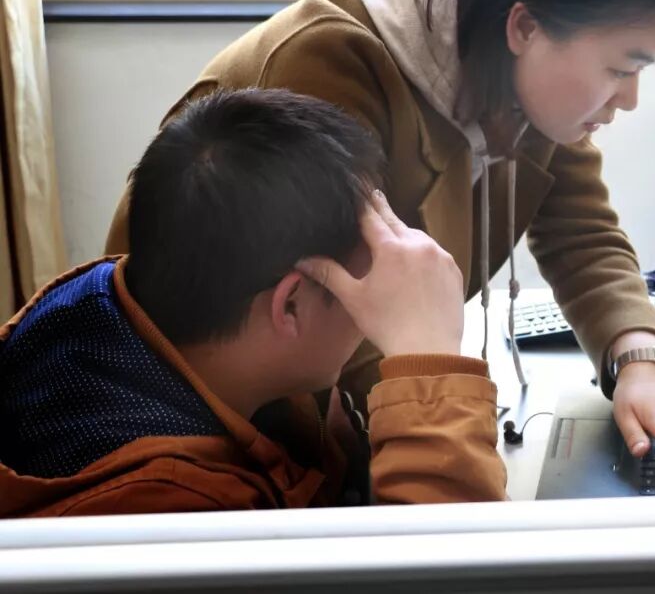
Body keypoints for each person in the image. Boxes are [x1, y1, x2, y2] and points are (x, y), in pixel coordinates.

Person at [105, 0, 655, 496]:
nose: (631, 99)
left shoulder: (523, 77)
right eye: (620, 68)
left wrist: (640, 359)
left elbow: (582, 233)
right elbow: (323, 327)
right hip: (212, 433)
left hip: (332, 410)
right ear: (525, 27)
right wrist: (452, 448)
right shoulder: (328, 64)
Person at [0, 89, 506, 517]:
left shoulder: (105, 304)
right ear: (290, 307)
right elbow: (452, 573)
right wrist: (431, 363)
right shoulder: (176, 510)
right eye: (370, 273)